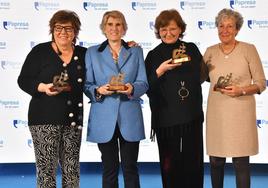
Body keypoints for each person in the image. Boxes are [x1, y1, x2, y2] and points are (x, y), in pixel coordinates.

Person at [17, 10, 86, 188]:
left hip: (73, 121)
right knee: (46, 171)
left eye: (68, 28)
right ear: (52, 30)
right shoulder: (40, 51)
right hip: (44, 119)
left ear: (75, 31)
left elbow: (107, 52)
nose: (63, 32)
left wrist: (127, 44)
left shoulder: (84, 54)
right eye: (58, 27)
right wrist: (43, 87)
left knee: (72, 170)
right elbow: (23, 80)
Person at [84, 10, 148, 188]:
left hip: (129, 116)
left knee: (130, 168)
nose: (114, 28)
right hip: (103, 117)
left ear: (124, 28)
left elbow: (143, 82)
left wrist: (132, 88)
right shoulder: (91, 52)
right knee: (109, 169)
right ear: (104, 28)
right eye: (110, 24)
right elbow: (87, 85)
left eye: (118, 24)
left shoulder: (136, 51)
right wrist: (98, 90)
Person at [203, 8, 266, 188]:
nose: (225, 30)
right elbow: (198, 78)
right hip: (217, 113)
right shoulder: (210, 52)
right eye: (221, 26)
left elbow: (261, 83)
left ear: (237, 29)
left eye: (230, 26)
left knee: (241, 163)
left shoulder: (249, 49)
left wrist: (242, 90)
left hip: (241, 114)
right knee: (215, 161)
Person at [145, 9, 206, 188]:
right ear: (158, 31)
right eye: (163, 29)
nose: (168, 33)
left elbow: (203, 76)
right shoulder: (153, 55)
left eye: (172, 28)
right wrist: (160, 71)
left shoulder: (191, 48)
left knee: (193, 163)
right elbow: (146, 87)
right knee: (168, 165)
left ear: (180, 29)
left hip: (191, 116)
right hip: (165, 119)